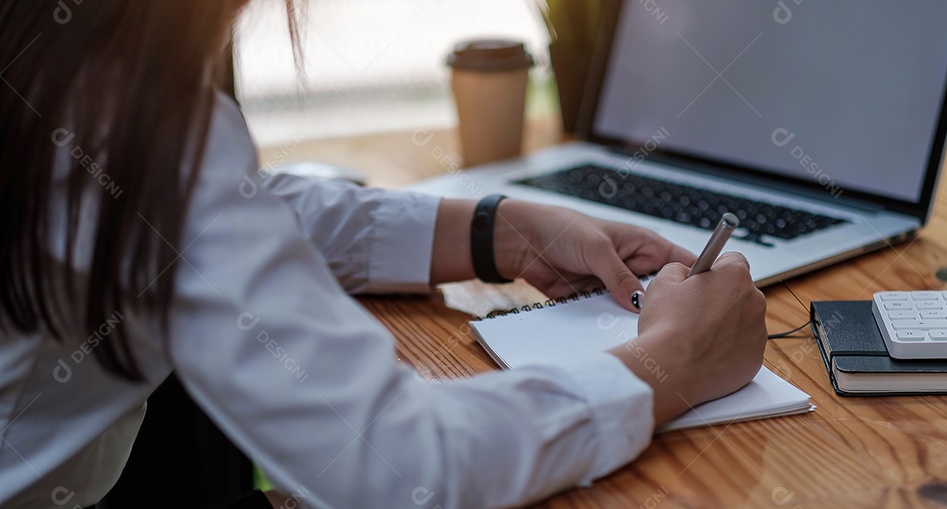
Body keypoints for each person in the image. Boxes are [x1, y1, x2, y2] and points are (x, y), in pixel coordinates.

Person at [0, 1, 768, 508]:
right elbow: (399, 465)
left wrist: (493, 230)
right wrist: (675, 357)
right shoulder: (126, 124)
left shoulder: (45, 63)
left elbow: (212, 214)